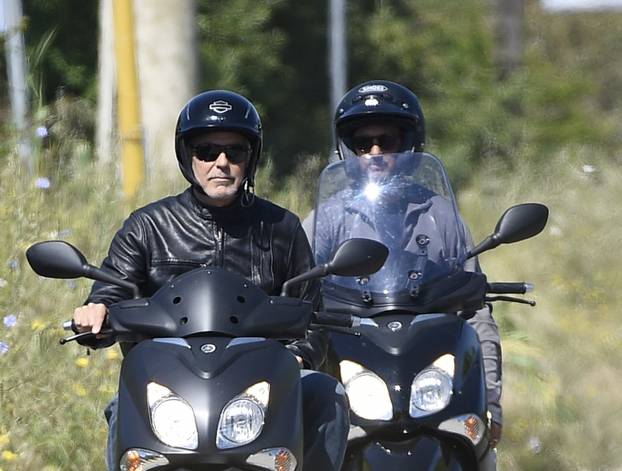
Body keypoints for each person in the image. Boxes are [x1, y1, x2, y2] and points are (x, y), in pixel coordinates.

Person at [72, 90, 348, 471]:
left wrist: (296, 358)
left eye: (235, 151)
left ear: (251, 157)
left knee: (325, 392)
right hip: (168, 387)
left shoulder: (282, 228)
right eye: (206, 151)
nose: (221, 163)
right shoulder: (149, 226)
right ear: (188, 156)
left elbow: (313, 311)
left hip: (259, 386)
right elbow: (112, 289)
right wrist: (96, 312)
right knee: (123, 406)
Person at [306, 80, 502, 468]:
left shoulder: (441, 215)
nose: (375, 153)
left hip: (430, 366)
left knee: (480, 450)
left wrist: (492, 399)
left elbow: (476, 311)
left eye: (387, 141)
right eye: (364, 144)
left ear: (410, 144)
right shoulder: (327, 218)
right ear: (348, 150)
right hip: (356, 367)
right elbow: (300, 297)